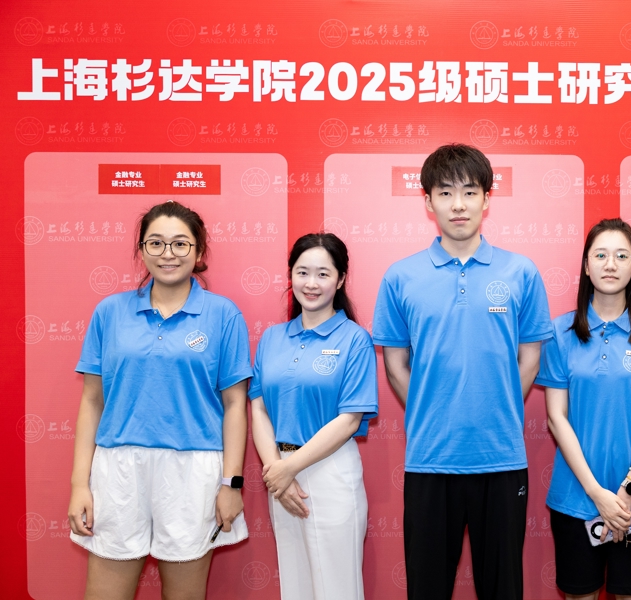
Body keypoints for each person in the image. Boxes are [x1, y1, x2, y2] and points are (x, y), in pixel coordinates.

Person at [373, 144, 552, 600]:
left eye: (470, 192)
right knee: (427, 588)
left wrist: (497, 407)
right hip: (430, 458)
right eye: (446, 193)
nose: (458, 205)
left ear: (487, 199)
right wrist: (433, 411)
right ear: (428, 201)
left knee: (502, 588)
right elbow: (395, 365)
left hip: (501, 457)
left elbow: (530, 358)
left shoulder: (521, 272)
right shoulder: (400, 276)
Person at [67, 200, 251, 600]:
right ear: (142, 250)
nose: (168, 253)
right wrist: (80, 484)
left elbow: (236, 405)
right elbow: (92, 401)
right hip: (118, 468)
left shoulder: (223, 315)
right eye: (156, 243)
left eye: (181, 244)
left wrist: (231, 484)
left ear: (199, 252)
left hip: (194, 469)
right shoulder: (110, 312)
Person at [536, 218, 631, 600]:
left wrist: (626, 492)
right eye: (601, 255)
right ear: (586, 266)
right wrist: (597, 494)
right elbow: (557, 418)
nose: (610, 264)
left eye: (622, 256)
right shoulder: (561, 333)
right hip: (576, 497)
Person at [249, 233, 377, 599]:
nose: (311, 283)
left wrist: (287, 470)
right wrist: (277, 469)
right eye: (302, 272)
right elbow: (258, 407)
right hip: (279, 470)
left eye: (323, 274)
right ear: (290, 275)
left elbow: (349, 419)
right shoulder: (272, 338)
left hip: (329, 468)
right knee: (296, 585)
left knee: (337, 588)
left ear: (340, 279)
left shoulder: (354, 339)